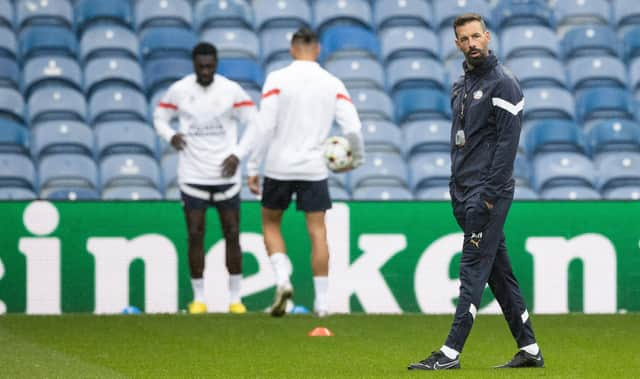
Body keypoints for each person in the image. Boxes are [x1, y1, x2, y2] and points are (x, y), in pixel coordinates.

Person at [408, 14, 544, 370]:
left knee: (472, 270)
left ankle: (450, 352)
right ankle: (529, 349)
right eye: (464, 39)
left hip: (487, 195)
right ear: (457, 45)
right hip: (464, 191)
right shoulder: (462, 85)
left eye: (476, 36)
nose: (472, 43)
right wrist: (458, 188)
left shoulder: (505, 84)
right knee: (498, 272)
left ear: (487, 36)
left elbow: (506, 148)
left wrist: (488, 194)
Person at [245, 27, 364, 317]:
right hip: (314, 168)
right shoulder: (332, 82)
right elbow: (353, 128)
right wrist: (356, 158)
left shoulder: (277, 79)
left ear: (292, 48)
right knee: (318, 232)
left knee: (271, 224)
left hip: (279, 165)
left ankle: (283, 278)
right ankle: (322, 305)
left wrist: (252, 165)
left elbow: (265, 126)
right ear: (318, 49)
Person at [153, 42, 261, 315]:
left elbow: (254, 121)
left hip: (226, 175)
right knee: (195, 235)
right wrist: (170, 135)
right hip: (192, 175)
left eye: (210, 66)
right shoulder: (179, 90)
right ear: (193, 65)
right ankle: (198, 298)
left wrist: (238, 153)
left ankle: (235, 299)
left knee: (233, 234)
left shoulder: (230, 89)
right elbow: (159, 117)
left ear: (216, 64)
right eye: (201, 66)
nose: (205, 71)